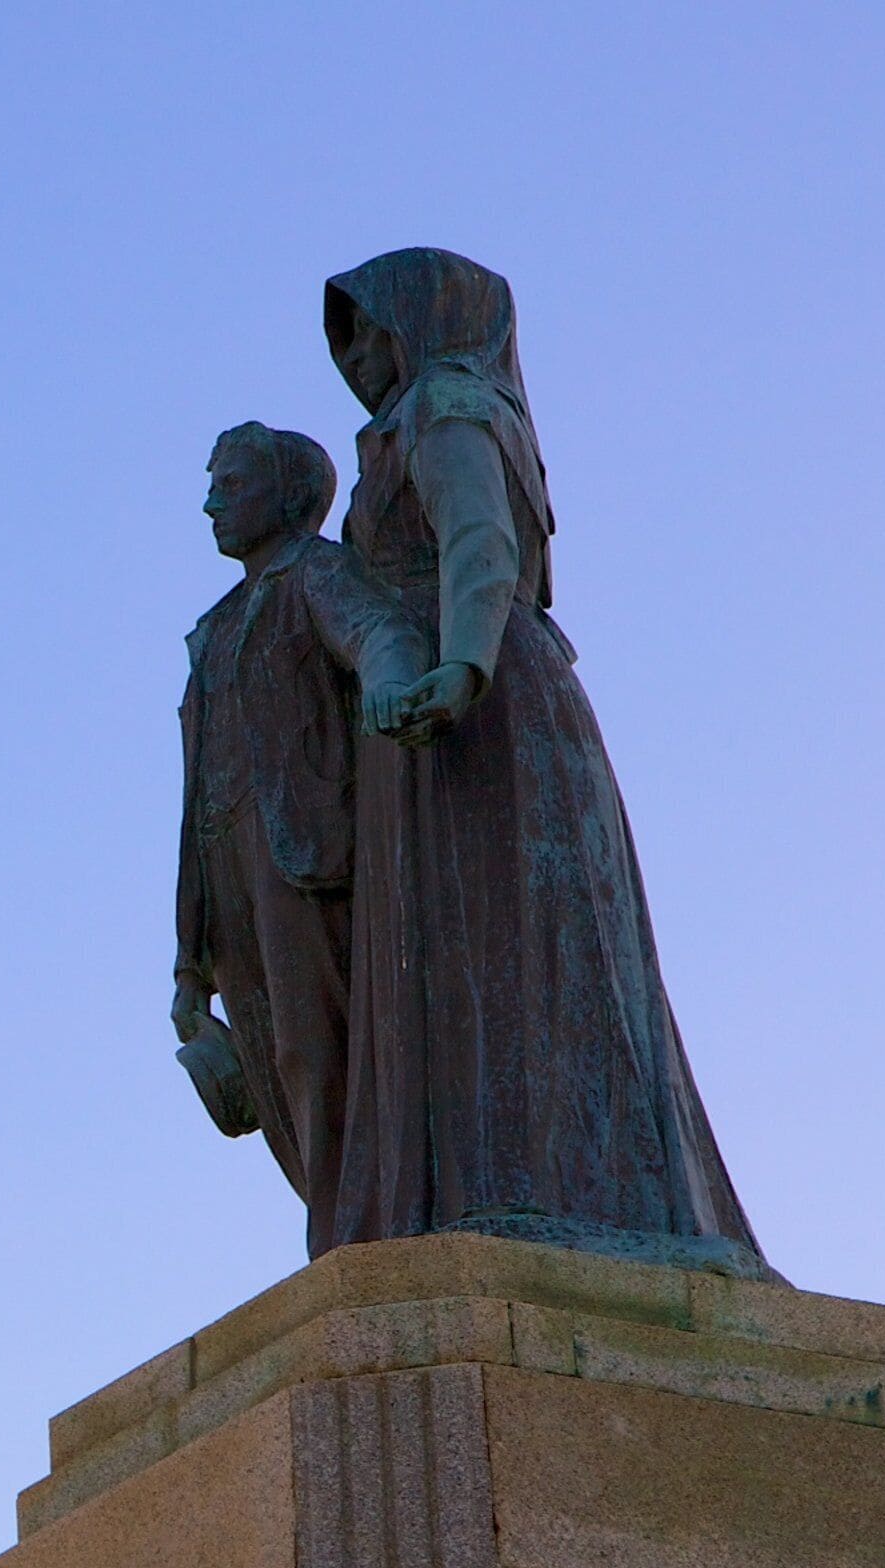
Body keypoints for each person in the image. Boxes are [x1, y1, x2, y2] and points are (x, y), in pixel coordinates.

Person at [323, 247, 774, 1279]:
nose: (355, 356)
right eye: (343, 339)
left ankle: (538, 1188)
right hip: (441, 699)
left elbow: (480, 542)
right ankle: (482, 1188)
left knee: (512, 953)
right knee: (468, 958)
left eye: (367, 328)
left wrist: (463, 667)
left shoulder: (444, 403)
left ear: (419, 319)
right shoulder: (412, 419)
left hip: (475, 701)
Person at [173, 422, 428, 1255]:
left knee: (314, 1052)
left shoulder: (313, 571)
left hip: (303, 855)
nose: (212, 500)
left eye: (233, 483)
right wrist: (188, 962)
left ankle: (358, 1237)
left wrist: (393, 682)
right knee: (274, 1061)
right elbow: (191, 794)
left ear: (286, 494)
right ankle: (339, 1231)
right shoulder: (212, 632)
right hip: (228, 871)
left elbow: (379, 632)